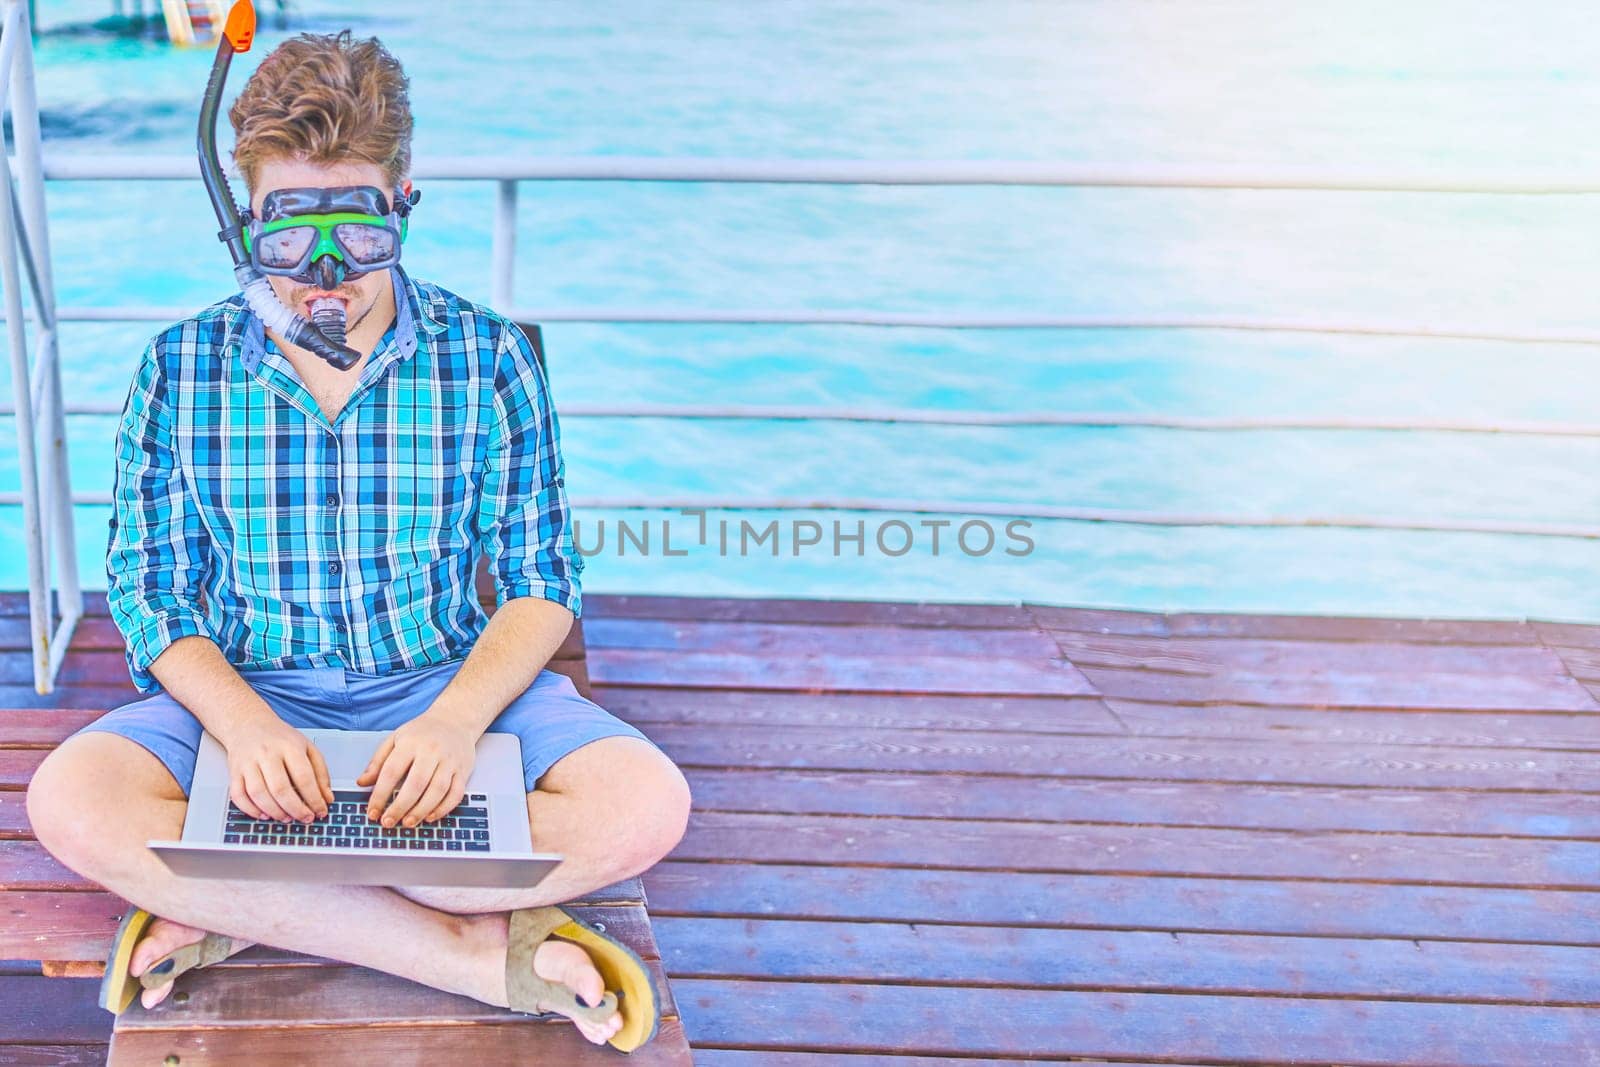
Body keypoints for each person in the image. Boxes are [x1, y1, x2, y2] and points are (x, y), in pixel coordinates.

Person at [25, 28, 690, 1050]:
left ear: (404, 203)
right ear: (243, 223)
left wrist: (458, 725)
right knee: (70, 798)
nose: (324, 274)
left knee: (647, 803)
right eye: (287, 239)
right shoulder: (179, 366)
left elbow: (541, 575)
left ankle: (237, 901)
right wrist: (245, 730)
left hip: (436, 684)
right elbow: (151, 592)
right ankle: (474, 950)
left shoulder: (487, 356)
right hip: (250, 704)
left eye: (359, 232)